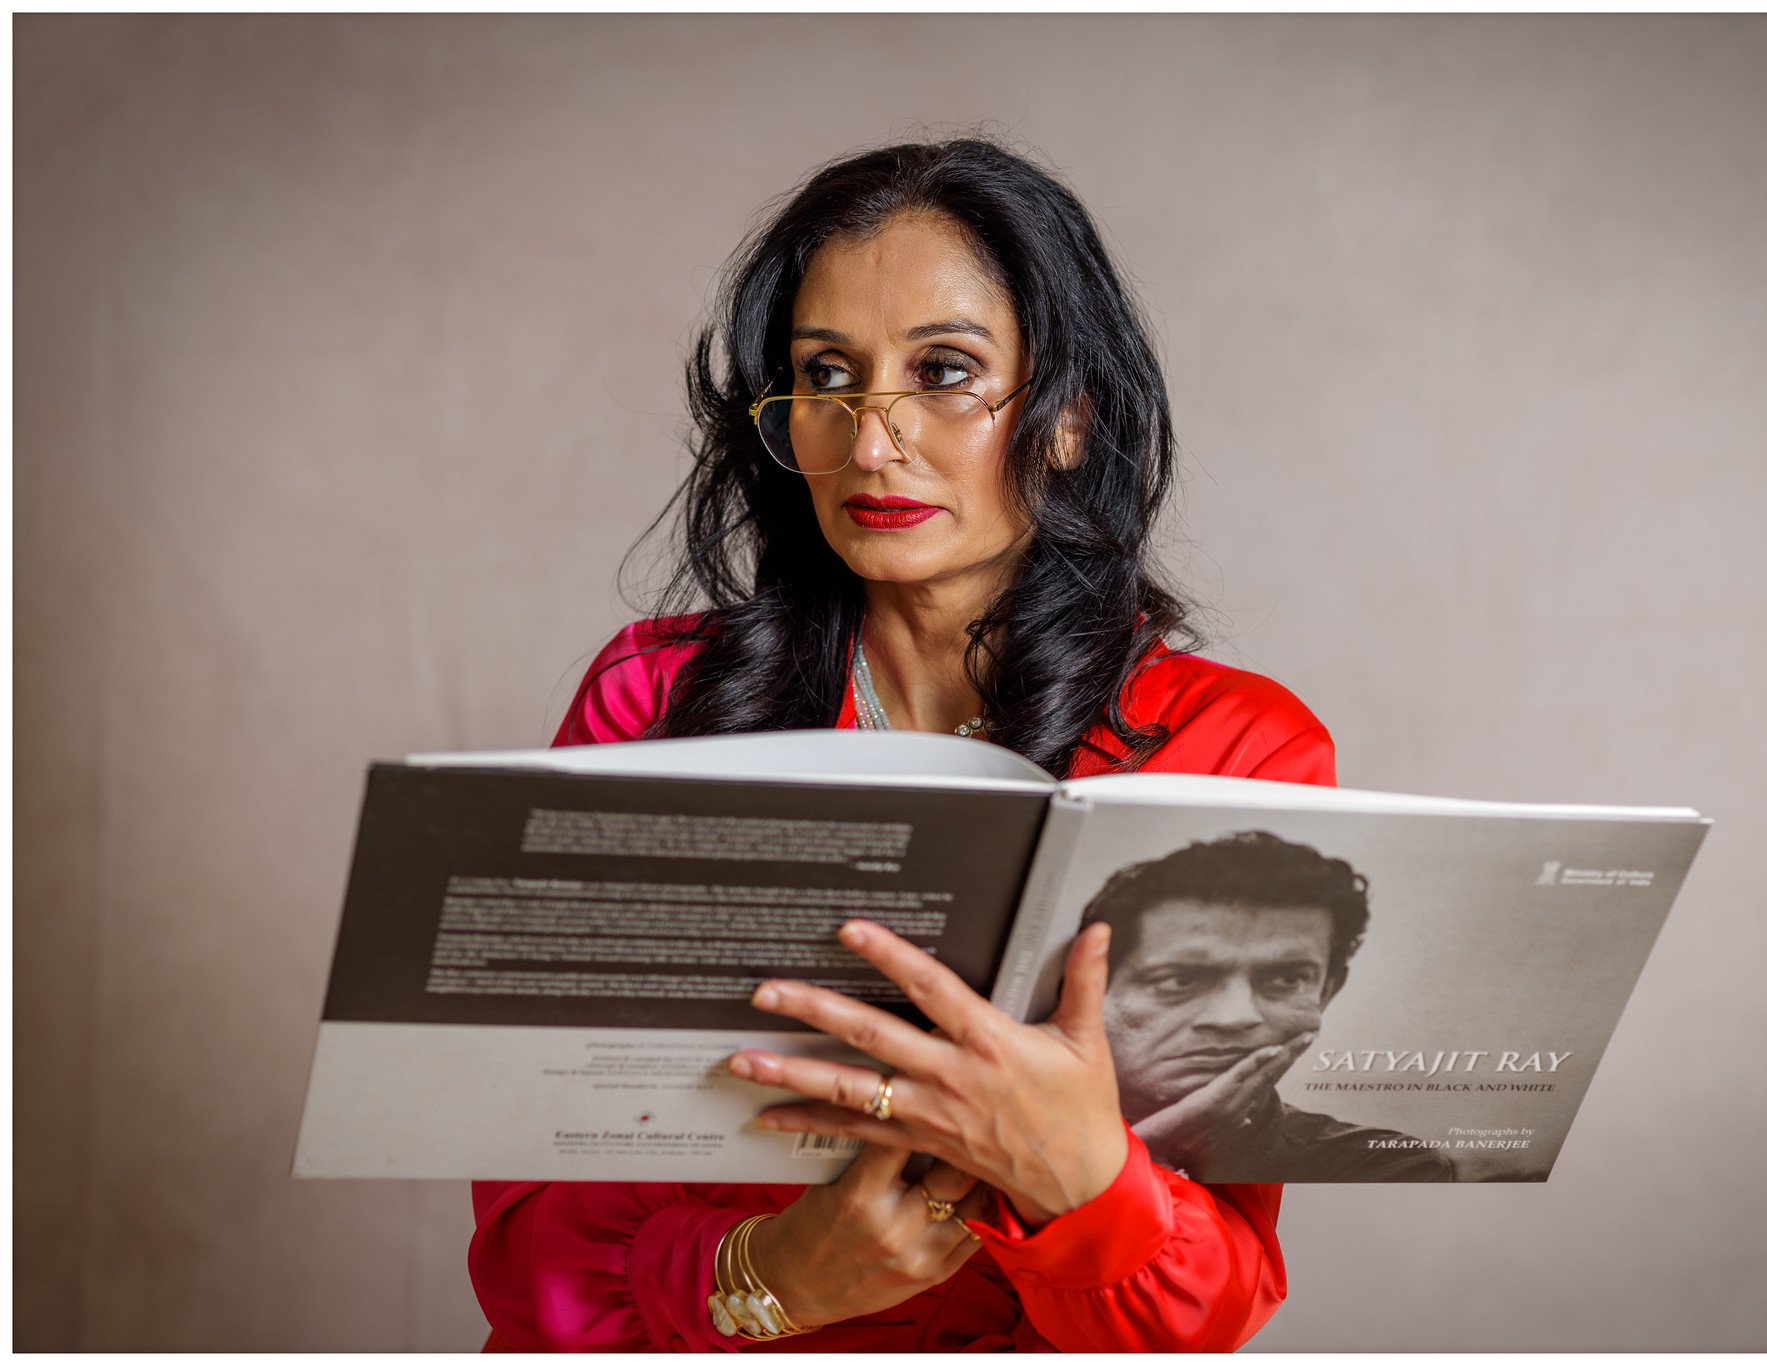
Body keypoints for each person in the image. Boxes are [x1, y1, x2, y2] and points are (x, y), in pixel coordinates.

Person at [468, 137, 1343, 1353]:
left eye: (943, 371)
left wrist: (1081, 1176)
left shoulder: (1233, 748)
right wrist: (768, 1275)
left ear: (1069, 416)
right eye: (826, 375)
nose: (870, 442)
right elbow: (526, 1229)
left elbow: (1212, 1304)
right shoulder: (654, 702)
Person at [1081, 831, 1458, 1184]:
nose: (1237, 1017)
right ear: (1090, 989)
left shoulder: (1378, 1168)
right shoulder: (1040, 1139)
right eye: (1179, 980)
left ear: (1327, 991)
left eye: (1287, 979)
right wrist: (1149, 1155)